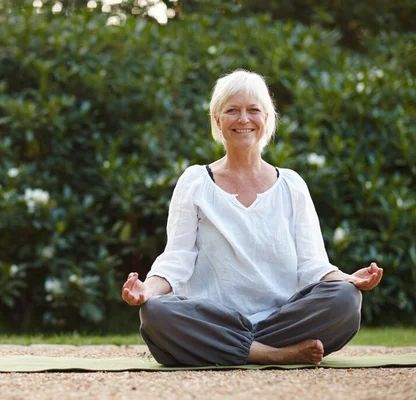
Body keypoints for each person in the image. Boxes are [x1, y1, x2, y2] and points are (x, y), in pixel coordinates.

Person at [121, 69, 383, 367]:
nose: (243, 119)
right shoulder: (195, 181)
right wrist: (147, 290)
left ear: (267, 119)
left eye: (253, 110)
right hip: (214, 319)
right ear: (217, 120)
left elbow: (313, 265)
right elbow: (176, 259)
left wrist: (348, 280)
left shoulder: (292, 184)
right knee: (156, 314)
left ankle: (230, 347)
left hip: (280, 319)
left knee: (346, 300)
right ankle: (270, 353)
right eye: (232, 110)